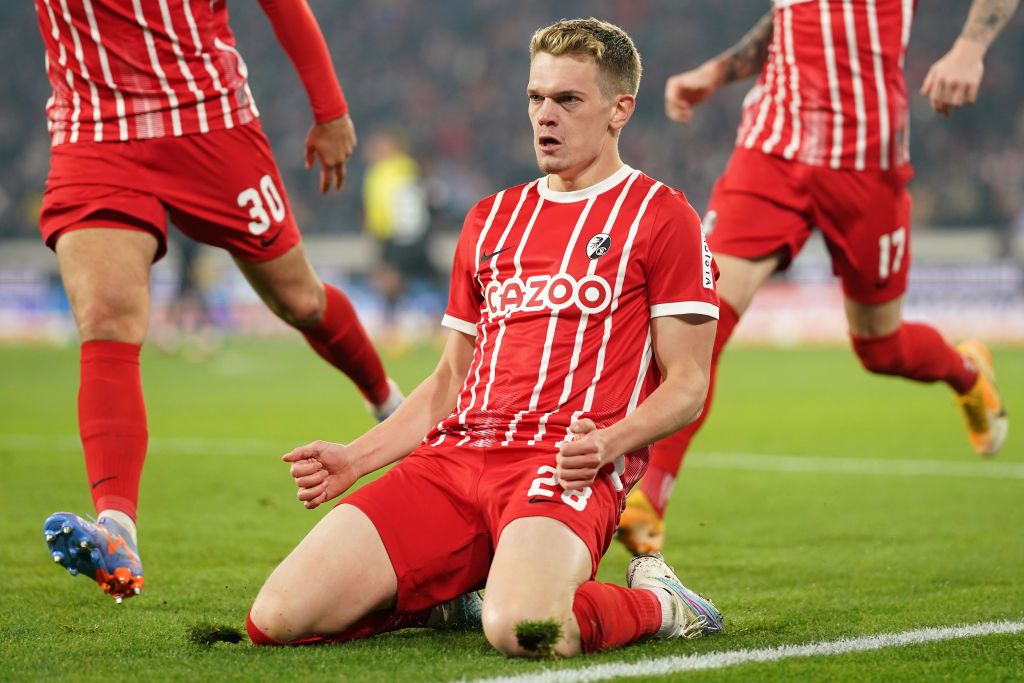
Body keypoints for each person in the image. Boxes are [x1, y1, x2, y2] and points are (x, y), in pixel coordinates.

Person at [246, 19, 724, 656]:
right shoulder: (492, 217)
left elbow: (689, 384)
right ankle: (451, 593)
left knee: (525, 630)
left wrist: (608, 443)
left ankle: (663, 605)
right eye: (536, 98)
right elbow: (448, 381)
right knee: (277, 619)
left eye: (567, 100)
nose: (544, 116)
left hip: (560, 467)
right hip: (454, 461)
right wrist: (355, 459)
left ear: (619, 110)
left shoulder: (663, 216)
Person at [617, 0, 1017, 557]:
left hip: (865, 161)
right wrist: (719, 71)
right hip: (770, 154)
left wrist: (971, 47)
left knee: (880, 347)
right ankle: (647, 501)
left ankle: (967, 372)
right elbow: (793, 14)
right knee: (704, 318)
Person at [35, 0, 403, 602]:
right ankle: (117, 527)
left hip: (207, 121)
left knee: (298, 299)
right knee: (106, 317)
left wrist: (330, 109)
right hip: (95, 130)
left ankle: (393, 409)